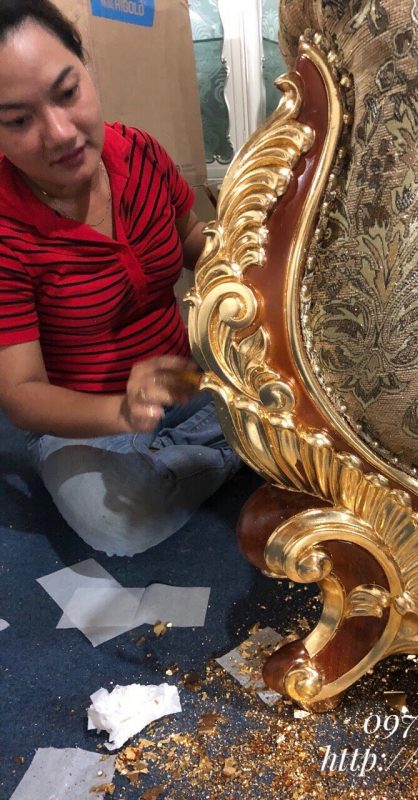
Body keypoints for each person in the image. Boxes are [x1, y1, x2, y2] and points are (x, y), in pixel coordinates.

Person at [0, 0, 240, 556]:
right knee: (117, 522)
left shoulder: (142, 153)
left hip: (185, 378)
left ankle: (195, 451)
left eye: (67, 93)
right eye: (18, 121)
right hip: (86, 418)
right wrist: (121, 413)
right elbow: (21, 394)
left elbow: (190, 240)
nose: (60, 133)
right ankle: (239, 448)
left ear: (86, 69)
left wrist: (251, 254)